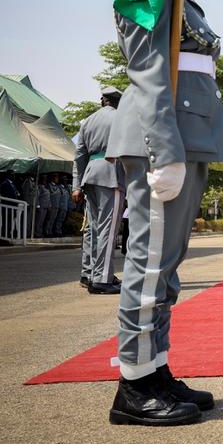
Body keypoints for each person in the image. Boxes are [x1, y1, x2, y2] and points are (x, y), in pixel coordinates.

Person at [106, 0, 223, 425]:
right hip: (166, 141)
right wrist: (166, 150)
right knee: (149, 263)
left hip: (189, 137)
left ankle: (153, 369)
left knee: (167, 268)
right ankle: (133, 386)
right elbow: (149, 72)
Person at [72, 85, 126, 294]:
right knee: (108, 229)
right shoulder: (121, 118)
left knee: (94, 229)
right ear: (118, 102)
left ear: (103, 100)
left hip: (90, 176)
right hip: (111, 173)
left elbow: (79, 156)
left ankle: (93, 274)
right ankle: (102, 280)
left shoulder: (87, 121)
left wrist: (77, 184)